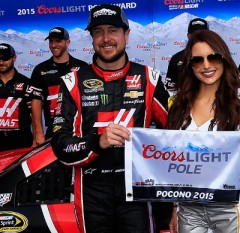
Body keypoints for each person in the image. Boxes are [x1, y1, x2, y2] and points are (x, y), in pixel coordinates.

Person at [51, 4, 170, 233]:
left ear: (126, 34)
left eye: (113, 30)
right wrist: (98, 141)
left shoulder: (149, 79)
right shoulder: (71, 82)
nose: (106, 39)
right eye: (98, 32)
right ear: (91, 38)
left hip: (136, 192)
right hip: (91, 192)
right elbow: (60, 145)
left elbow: (176, 134)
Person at [167, 30, 240, 233]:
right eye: (198, 60)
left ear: (224, 59)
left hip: (229, 206)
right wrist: (175, 207)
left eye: (213, 57)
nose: (206, 65)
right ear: (190, 66)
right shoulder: (175, 105)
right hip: (188, 207)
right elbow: (172, 166)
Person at [28, 26, 88, 147]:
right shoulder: (40, 69)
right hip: (53, 128)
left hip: (78, 126)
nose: (54, 45)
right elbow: (36, 101)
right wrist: (39, 133)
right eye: (51, 41)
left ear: (68, 42)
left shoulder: (82, 67)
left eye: (58, 41)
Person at [0, 43, 33, 151]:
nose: (1, 62)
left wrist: (37, 136)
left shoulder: (26, 82)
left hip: (21, 142)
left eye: (5, 58)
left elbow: (36, 115)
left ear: (14, 58)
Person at [165, 18, 209, 91]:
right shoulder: (177, 58)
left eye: (202, 34)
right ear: (188, 35)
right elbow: (170, 88)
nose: (198, 37)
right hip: (185, 101)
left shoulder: (217, 56)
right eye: (195, 34)